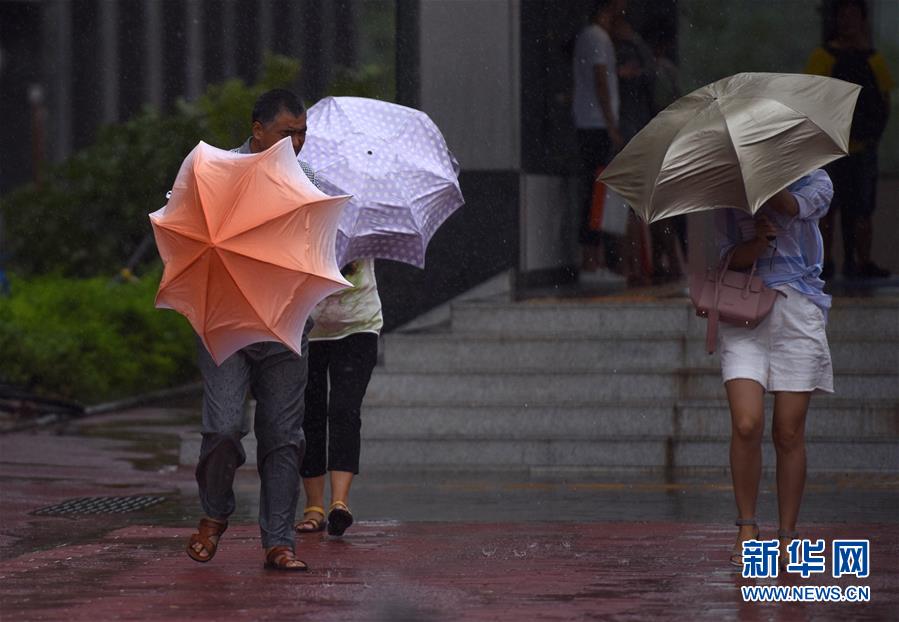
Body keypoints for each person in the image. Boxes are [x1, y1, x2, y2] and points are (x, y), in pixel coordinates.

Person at [186, 89, 315, 572]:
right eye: (288, 133)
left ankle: (279, 543)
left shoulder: (311, 183)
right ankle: (215, 513)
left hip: (285, 326)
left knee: (283, 436)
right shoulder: (214, 174)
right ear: (257, 129)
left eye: (302, 134)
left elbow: (322, 253)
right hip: (224, 323)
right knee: (222, 429)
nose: (297, 144)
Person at [715, 169, 835, 568]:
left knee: (788, 431)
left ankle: (787, 534)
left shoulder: (817, 180)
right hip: (745, 313)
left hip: (798, 312)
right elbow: (726, 260)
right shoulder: (731, 192)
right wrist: (755, 243)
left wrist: (764, 186)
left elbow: (794, 206)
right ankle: (747, 526)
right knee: (746, 423)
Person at [805, 0, 894, 279]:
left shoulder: (874, 60)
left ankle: (862, 262)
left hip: (862, 147)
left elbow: (885, 100)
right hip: (830, 148)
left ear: (863, 20)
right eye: (843, 16)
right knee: (827, 208)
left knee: (863, 209)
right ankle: (825, 262)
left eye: (853, 16)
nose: (848, 22)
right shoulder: (823, 57)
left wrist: (873, 136)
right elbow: (809, 97)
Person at [294, 258, 382, 537]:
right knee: (310, 413)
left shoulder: (362, 218)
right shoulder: (300, 220)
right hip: (306, 327)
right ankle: (314, 507)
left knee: (345, 409)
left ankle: (339, 503)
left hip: (359, 325)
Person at [572, 0, 627, 278]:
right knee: (597, 191)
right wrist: (611, 124)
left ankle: (595, 257)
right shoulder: (596, 37)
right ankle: (591, 259)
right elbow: (600, 81)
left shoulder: (591, 36)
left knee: (596, 190)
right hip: (596, 124)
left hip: (592, 122)